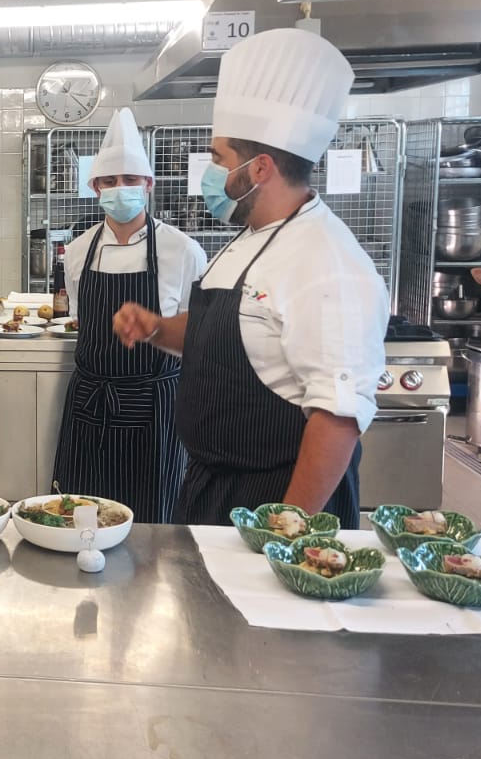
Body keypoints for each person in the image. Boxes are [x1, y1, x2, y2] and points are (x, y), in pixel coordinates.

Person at [113, 29, 388, 526]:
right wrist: (156, 328)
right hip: (212, 487)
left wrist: (285, 527)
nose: (212, 171)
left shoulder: (325, 260)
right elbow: (223, 335)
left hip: (275, 498)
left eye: (220, 158)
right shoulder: (250, 236)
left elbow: (338, 417)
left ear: (260, 169)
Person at [51, 109, 206, 523]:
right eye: (109, 181)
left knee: (153, 526)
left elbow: (196, 337)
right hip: (90, 405)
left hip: (156, 410)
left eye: (130, 179)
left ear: (148, 185)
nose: (120, 189)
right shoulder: (78, 252)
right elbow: (83, 322)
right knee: (79, 518)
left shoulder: (183, 251)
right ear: (95, 187)